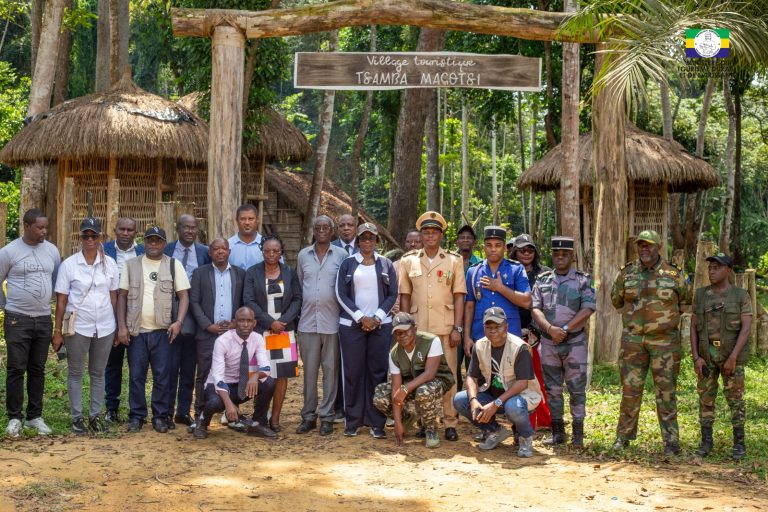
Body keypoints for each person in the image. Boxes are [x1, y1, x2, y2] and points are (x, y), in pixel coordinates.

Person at [610, 229, 690, 455]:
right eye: (641, 245)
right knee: (630, 391)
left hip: (665, 345)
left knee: (666, 392)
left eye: (649, 245)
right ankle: (623, 437)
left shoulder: (673, 275)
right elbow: (617, 301)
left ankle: (671, 442)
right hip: (633, 343)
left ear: (659, 247)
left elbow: (684, 304)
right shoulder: (627, 274)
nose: (645, 249)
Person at [398, 211, 466, 442]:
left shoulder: (454, 260)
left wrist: (457, 328)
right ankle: (423, 421)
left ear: (441, 235)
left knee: (448, 376)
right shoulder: (408, 261)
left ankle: (450, 422)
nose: (430, 236)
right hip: (418, 331)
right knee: (418, 375)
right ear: (421, 235)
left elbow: (459, 297)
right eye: (425, 232)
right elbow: (405, 296)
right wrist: (406, 328)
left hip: (445, 329)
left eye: (434, 232)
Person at [116, 226, 190, 434]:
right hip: (137, 332)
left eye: (157, 241)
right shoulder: (131, 265)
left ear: (164, 243)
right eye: (150, 240)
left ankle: (159, 416)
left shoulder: (174, 266)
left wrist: (179, 322)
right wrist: (122, 326)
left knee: (162, 377)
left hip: (163, 331)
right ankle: (137, 416)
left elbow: (184, 296)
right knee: (136, 376)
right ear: (144, 242)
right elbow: (121, 296)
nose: (153, 244)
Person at [53, 217, 119, 435]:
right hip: (78, 326)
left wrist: (117, 326)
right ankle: (76, 417)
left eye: (94, 235)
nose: (90, 239)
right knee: (75, 372)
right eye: (86, 236)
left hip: (105, 326)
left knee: (98, 373)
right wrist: (57, 331)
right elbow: (61, 300)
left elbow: (114, 297)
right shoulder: (69, 265)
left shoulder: (110, 264)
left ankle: (95, 416)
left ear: (101, 238)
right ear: (80, 237)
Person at [0, 208, 61, 437]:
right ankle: (14, 418)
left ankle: (34, 417)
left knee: (38, 368)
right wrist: (6, 307)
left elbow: (55, 280)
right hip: (17, 319)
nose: (44, 231)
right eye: (39, 227)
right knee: (16, 368)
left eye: (46, 227)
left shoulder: (52, 251)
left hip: (43, 319)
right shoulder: (8, 252)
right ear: (26, 226)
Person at [531, 236, 595, 448]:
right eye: (556, 254)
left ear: (571, 256)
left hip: (574, 343)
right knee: (552, 389)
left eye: (564, 254)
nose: (560, 257)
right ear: (552, 255)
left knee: (576, 388)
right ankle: (558, 433)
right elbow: (535, 308)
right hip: (549, 343)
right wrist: (550, 329)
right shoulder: (543, 280)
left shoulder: (583, 280)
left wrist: (565, 329)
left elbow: (588, 308)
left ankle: (578, 434)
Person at [335, 223, 398, 438]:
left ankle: (376, 422)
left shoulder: (386, 264)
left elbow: (393, 294)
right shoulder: (348, 264)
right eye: (363, 238)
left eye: (371, 238)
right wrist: (361, 317)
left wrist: (377, 317)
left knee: (378, 373)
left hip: (381, 327)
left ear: (377, 241)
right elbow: (340, 294)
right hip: (352, 327)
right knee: (353, 372)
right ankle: (352, 421)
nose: (367, 242)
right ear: (358, 241)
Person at [453, 307, 542, 457]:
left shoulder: (520, 347)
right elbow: (471, 377)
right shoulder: (480, 345)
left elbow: (522, 383)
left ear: (506, 327)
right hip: (492, 395)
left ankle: (525, 437)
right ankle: (494, 431)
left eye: (497, 326)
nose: (493, 331)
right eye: (489, 327)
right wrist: (474, 400)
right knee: (461, 400)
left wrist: (496, 404)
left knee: (514, 407)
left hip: (520, 396)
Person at [691, 253, 752, 460]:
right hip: (707, 356)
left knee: (735, 400)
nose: (712, 270)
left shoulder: (741, 295)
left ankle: (739, 444)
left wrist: (734, 356)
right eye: (710, 267)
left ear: (728, 270)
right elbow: (693, 327)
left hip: (730, 355)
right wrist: (696, 357)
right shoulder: (700, 295)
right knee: (705, 400)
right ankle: (706, 442)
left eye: (717, 267)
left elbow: (746, 327)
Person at [243, 234, 302, 432]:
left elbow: (297, 299)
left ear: (281, 252)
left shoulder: (289, 272)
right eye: (267, 250)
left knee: (281, 376)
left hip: (284, 333)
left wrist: (283, 321)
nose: (271, 254)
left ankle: (275, 419)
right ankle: (260, 416)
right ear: (262, 251)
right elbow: (249, 300)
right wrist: (270, 322)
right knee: (261, 374)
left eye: (275, 251)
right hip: (260, 331)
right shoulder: (252, 273)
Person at [295, 216, 347, 436]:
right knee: (309, 373)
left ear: (332, 230)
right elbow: (300, 284)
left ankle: (327, 416)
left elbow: (345, 286)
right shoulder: (303, 255)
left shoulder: (342, 256)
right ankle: (308, 416)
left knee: (330, 371)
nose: (323, 230)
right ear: (313, 230)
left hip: (332, 323)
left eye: (327, 227)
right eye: (319, 227)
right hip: (307, 323)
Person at [373, 313, 455, 448]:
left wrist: (405, 389)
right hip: (412, 385)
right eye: (398, 333)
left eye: (406, 331)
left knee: (424, 391)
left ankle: (431, 430)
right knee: (381, 395)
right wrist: (398, 423)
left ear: (415, 329)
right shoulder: (394, 354)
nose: (402, 335)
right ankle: (407, 419)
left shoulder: (431, 341)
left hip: (438, 380)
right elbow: (395, 388)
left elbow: (430, 373)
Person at [193, 307, 276, 440]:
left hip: (240, 385)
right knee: (215, 403)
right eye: (241, 320)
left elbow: (266, 367)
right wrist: (229, 404)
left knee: (269, 383)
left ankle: (258, 424)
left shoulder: (257, 338)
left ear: (254, 323)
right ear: (234, 322)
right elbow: (218, 378)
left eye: (249, 321)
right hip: (218, 387)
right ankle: (202, 422)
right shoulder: (222, 341)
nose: (245, 324)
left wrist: (255, 376)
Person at [188, 238, 245, 426]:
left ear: (229, 251)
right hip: (207, 334)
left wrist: (235, 323)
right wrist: (207, 325)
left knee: (233, 374)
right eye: (216, 249)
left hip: (232, 335)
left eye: (224, 248)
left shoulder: (240, 274)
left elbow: (244, 302)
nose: (220, 252)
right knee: (204, 375)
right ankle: (200, 417)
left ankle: (232, 414)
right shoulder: (199, 273)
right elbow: (194, 302)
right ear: (210, 253)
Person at [463, 226, 531, 381]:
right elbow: (469, 305)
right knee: (479, 378)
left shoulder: (516, 269)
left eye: (498, 245)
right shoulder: (474, 272)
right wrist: (467, 336)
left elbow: (527, 301)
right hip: (480, 335)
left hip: (510, 335)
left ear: (505, 248)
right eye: (489, 245)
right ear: (483, 247)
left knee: (511, 379)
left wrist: (500, 288)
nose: (493, 249)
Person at [163, 214, 211, 427]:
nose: (190, 231)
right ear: (178, 228)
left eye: (193, 228)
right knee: (169, 366)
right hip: (168, 312)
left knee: (189, 366)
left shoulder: (204, 252)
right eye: (186, 227)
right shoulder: (167, 249)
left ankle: (183, 411)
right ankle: (165, 411)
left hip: (196, 313)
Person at [103, 217, 144, 424]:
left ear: (136, 232)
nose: (126, 233)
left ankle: (136, 411)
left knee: (137, 366)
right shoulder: (104, 250)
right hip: (110, 314)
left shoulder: (143, 251)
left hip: (138, 315)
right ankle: (111, 408)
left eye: (130, 230)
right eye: (122, 229)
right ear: (115, 230)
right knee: (113, 365)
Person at [509, 233, 552, 430]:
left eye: (530, 250)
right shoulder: (508, 271)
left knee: (540, 378)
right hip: (512, 332)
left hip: (539, 333)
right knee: (517, 378)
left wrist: (534, 330)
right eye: (522, 250)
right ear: (514, 252)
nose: (526, 253)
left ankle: (544, 419)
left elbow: (550, 305)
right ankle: (519, 418)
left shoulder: (545, 274)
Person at [331, 213, 358, 421]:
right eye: (342, 225)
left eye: (350, 225)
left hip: (364, 318)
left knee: (357, 364)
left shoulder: (367, 248)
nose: (346, 228)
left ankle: (358, 404)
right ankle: (339, 406)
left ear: (355, 227)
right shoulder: (329, 249)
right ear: (337, 229)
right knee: (337, 364)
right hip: (337, 315)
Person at [228, 204, 267, 271]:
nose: (247, 222)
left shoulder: (267, 245)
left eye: (251, 219)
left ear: (257, 220)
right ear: (237, 221)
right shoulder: (228, 245)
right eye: (243, 219)